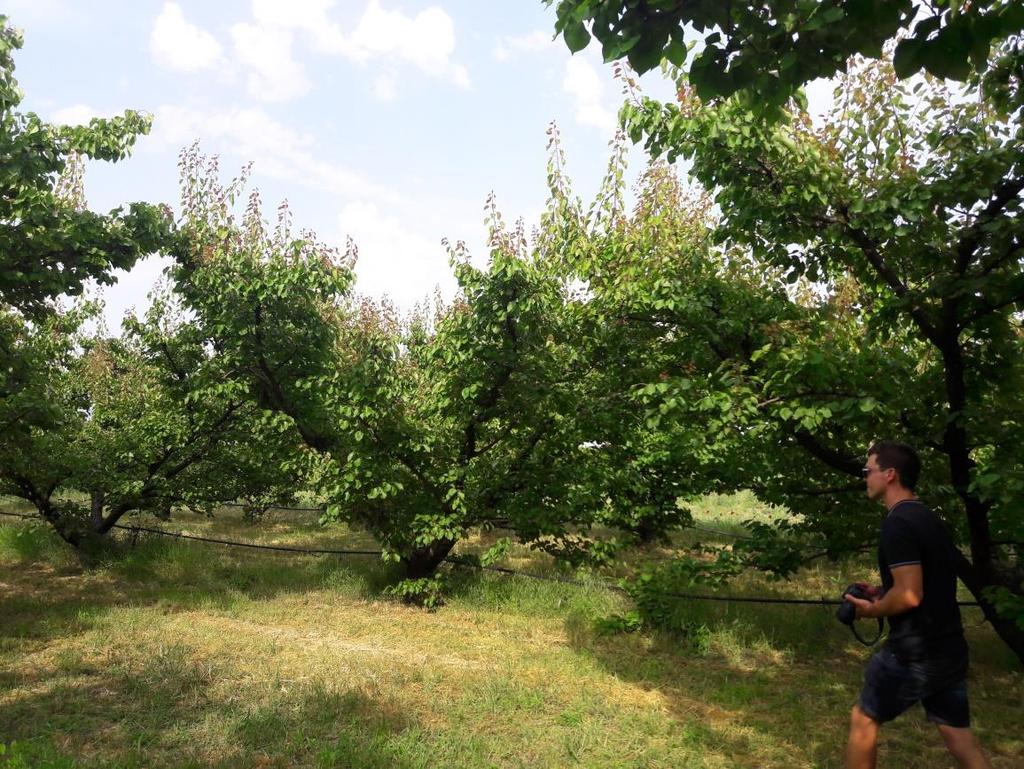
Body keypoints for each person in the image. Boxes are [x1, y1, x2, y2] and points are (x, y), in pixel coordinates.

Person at [842, 440, 991, 769]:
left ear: (890, 474)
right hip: (948, 648)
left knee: (863, 719)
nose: (864, 477)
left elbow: (910, 595)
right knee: (959, 739)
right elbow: (929, 580)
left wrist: (872, 609)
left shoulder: (897, 523)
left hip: (913, 654)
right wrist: (884, 590)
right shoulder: (927, 517)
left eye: (868, 470)